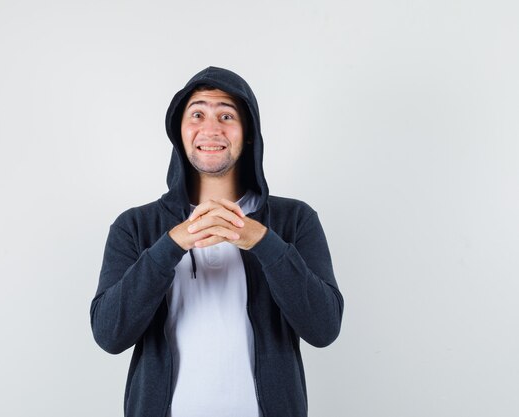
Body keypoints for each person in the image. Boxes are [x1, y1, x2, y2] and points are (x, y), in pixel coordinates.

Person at [90, 66, 344, 417]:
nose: (211, 128)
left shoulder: (295, 220)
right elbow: (109, 334)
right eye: (197, 114)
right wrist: (172, 244)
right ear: (179, 132)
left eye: (226, 115)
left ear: (248, 134)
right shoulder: (134, 226)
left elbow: (324, 328)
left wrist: (264, 242)